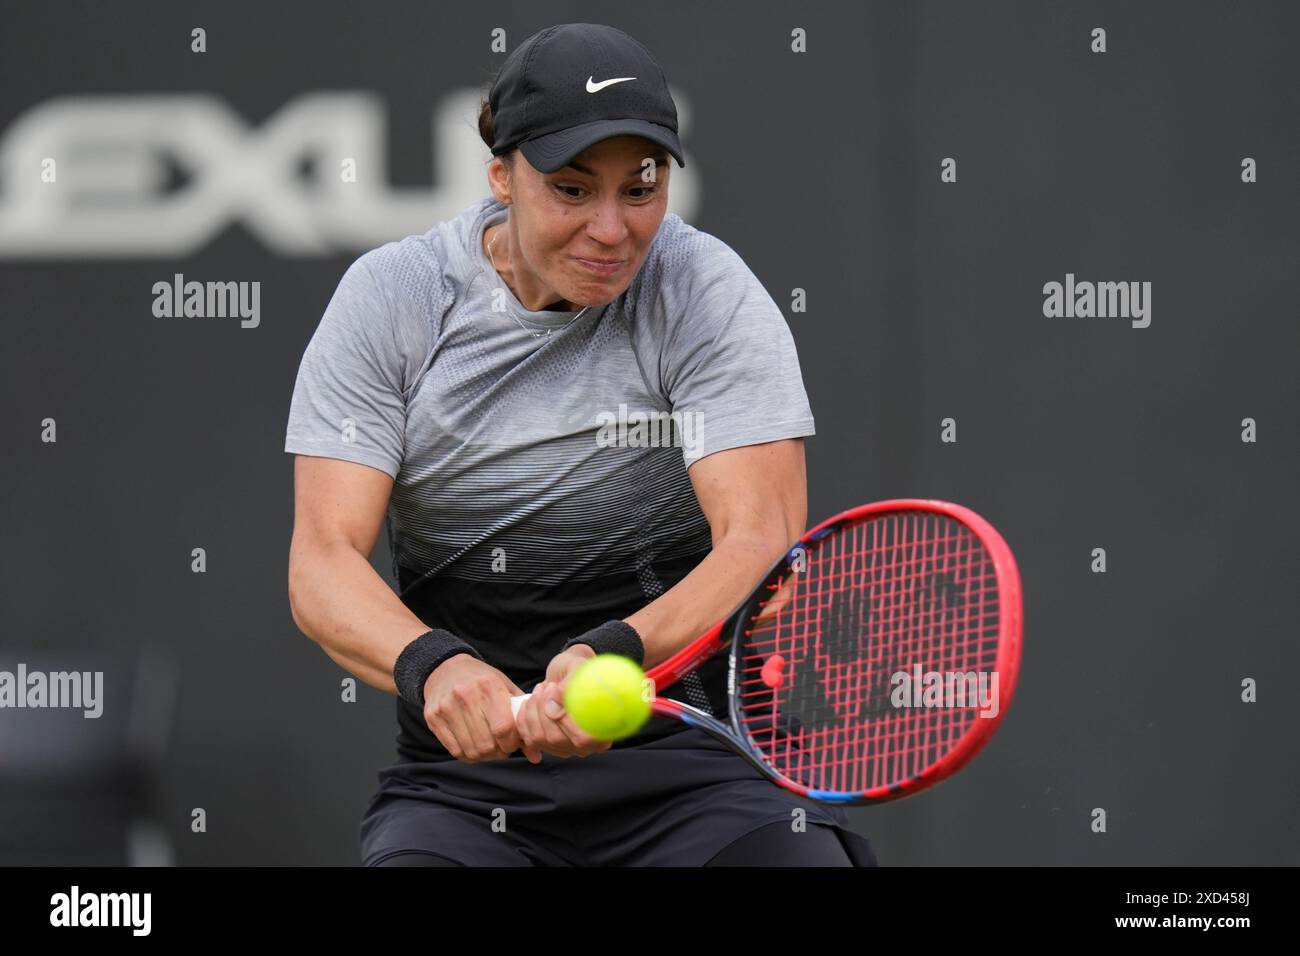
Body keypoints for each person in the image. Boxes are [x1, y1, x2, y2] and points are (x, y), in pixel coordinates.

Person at [285, 22, 877, 867]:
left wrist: (615, 653)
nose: (611, 229)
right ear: (500, 175)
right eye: (570, 189)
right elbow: (322, 561)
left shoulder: (704, 291)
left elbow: (762, 537)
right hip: (469, 790)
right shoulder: (393, 299)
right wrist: (436, 667)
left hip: (705, 770)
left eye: (641, 188)